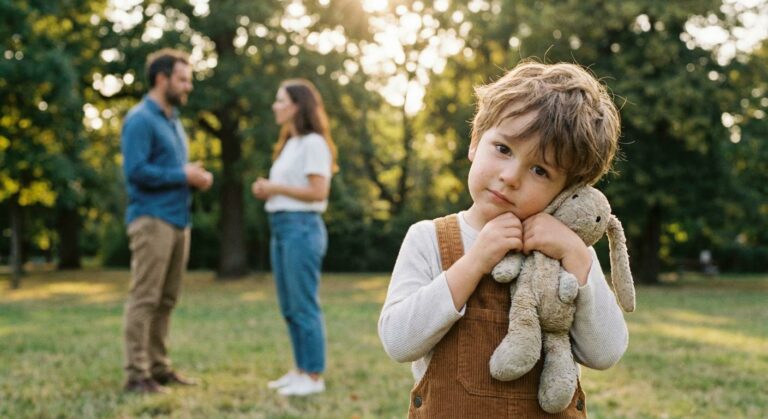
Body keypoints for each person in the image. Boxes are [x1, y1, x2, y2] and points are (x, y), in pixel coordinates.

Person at [378, 60, 629, 417]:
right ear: (475, 142)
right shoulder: (428, 238)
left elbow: (605, 352)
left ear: (567, 190)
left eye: (540, 170)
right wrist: (474, 262)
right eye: (503, 149)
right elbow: (398, 340)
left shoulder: (569, 251)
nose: (511, 177)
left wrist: (576, 253)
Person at [121, 48, 213, 394]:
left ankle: (158, 368)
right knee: (145, 298)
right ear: (162, 79)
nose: (188, 86)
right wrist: (182, 175)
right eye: (183, 79)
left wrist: (193, 177)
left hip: (178, 221)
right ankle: (136, 374)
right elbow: (135, 171)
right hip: (151, 220)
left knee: (167, 299)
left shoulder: (172, 120)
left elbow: (173, 173)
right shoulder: (140, 119)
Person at [251, 78, 338, 396]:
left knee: (303, 304)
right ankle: (300, 369)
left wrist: (274, 188)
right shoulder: (290, 142)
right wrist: (269, 191)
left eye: (280, 100)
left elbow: (318, 191)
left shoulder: (314, 142)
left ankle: (313, 376)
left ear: (297, 106)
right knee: (289, 305)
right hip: (282, 226)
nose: (275, 106)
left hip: (302, 227)